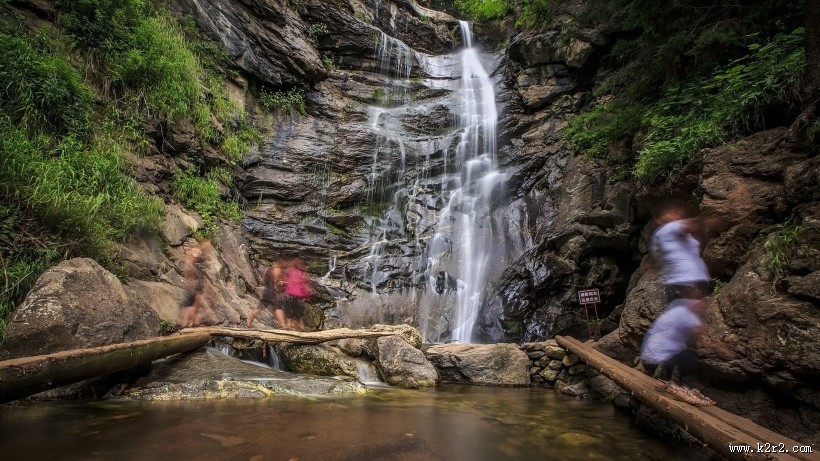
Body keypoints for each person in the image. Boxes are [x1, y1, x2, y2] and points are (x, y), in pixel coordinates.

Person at [641, 297, 707, 388]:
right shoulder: (683, 314)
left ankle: (669, 381)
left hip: (674, 346)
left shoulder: (688, 315)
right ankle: (666, 381)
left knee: (674, 362)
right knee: (670, 363)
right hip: (668, 345)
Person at [651, 204, 711, 301]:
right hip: (687, 278)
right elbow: (689, 225)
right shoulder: (668, 228)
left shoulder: (660, 235)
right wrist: (709, 217)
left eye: (677, 212)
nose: (676, 215)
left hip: (688, 277)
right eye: (671, 213)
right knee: (695, 309)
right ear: (659, 219)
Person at [180, 240, 212, 328]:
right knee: (192, 306)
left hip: (194, 285)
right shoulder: (191, 256)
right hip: (193, 285)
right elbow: (190, 262)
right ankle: (187, 323)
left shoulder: (192, 258)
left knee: (192, 306)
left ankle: (189, 323)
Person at [247, 261, 288, 329]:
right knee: (277, 307)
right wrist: (280, 283)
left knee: (264, 307)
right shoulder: (276, 270)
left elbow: (265, 281)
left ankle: (250, 320)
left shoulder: (270, 271)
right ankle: (282, 325)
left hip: (268, 291)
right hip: (270, 292)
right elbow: (276, 282)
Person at [283, 259, 311, 331]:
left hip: (291, 294)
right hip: (298, 295)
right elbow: (305, 284)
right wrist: (307, 295)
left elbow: (287, 280)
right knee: (298, 312)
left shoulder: (291, 271)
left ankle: (290, 325)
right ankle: (300, 326)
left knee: (289, 310)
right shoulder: (302, 273)